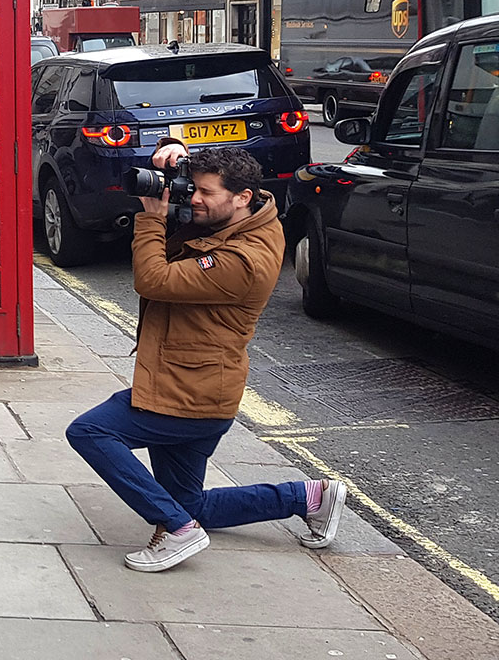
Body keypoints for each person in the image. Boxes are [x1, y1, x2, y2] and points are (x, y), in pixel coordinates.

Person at [65, 141, 349, 573]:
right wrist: (174, 148)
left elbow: (153, 279)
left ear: (242, 198)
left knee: (90, 433)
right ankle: (308, 497)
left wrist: (149, 219)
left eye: (205, 193)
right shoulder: (240, 217)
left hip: (188, 394)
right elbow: (202, 174)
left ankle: (177, 530)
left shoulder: (245, 260)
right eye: (191, 187)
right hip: (195, 385)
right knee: (191, 502)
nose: (193, 198)